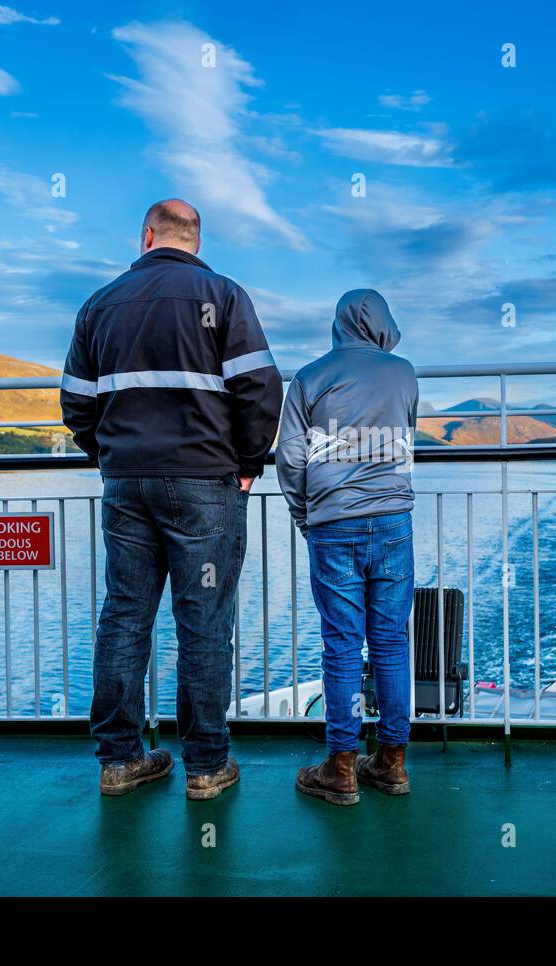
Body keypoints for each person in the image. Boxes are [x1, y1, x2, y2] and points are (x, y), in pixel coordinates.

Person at [61, 199, 282, 800]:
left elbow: (75, 404)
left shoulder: (99, 305)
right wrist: (248, 462)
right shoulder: (224, 296)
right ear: (196, 242)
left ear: (146, 236)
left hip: (127, 485)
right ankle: (207, 768)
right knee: (204, 625)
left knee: (125, 617)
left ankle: (119, 760)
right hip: (206, 486)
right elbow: (261, 389)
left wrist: (109, 456)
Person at [277, 289, 419, 806]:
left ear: (339, 323)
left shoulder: (310, 378)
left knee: (341, 645)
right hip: (393, 520)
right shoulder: (403, 372)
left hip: (333, 521)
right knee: (390, 642)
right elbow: (402, 438)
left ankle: (340, 768)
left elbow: (291, 459)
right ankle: (392, 761)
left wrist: (304, 515)